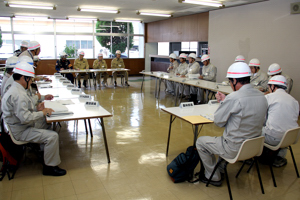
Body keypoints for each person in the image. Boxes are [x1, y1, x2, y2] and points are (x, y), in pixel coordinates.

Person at [196, 62, 268, 186]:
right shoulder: (262, 96)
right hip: (254, 147)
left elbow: (218, 122)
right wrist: (226, 101)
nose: (230, 84)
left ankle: (213, 176)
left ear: (234, 80)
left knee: (201, 142)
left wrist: (224, 103)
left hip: (234, 148)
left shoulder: (234, 97)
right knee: (228, 137)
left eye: (230, 82)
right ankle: (221, 168)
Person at [1, 62, 66, 176]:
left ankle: (44, 152)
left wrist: (36, 108)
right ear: (23, 78)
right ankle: (50, 167)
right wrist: (42, 113)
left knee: (46, 124)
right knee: (52, 136)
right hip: (21, 130)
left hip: (19, 125)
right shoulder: (18, 94)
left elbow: (22, 111)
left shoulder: (17, 89)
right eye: (30, 79)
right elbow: (25, 118)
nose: (31, 82)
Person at [263, 75, 299, 167]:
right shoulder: (294, 101)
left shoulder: (269, 97)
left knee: (251, 129)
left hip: (273, 139)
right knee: (284, 127)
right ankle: (279, 157)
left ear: (273, 86)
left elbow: (260, 118)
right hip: (290, 138)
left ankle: (251, 156)